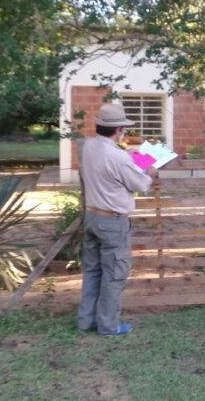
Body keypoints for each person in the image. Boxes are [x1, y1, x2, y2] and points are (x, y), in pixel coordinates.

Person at [77, 103, 158, 336]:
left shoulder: (89, 146)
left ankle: (86, 321)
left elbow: (112, 163)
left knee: (92, 271)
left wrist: (129, 156)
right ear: (118, 130)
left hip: (92, 216)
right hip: (112, 222)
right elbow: (140, 184)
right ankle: (109, 325)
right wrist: (150, 171)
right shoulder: (118, 157)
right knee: (114, 275)